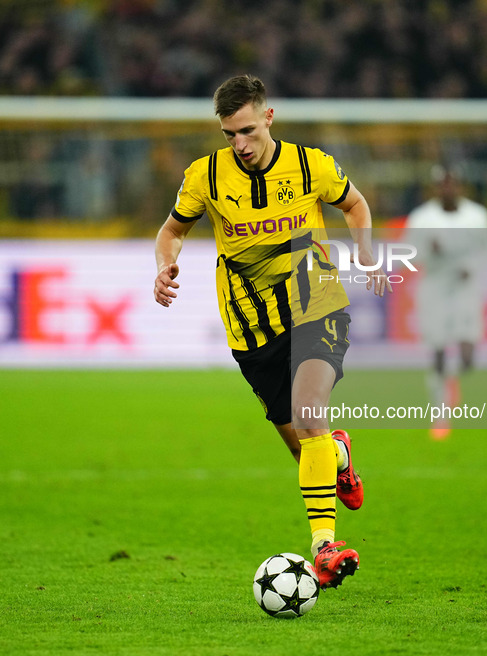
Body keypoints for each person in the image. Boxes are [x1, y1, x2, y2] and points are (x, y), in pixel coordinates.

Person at [154, 74, 390, 589]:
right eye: (228, 136)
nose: (239, 145)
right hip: (249, 325)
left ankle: (324, 547)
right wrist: (164, 265)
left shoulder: (311, 165)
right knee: (307, 446)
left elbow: (354, 204)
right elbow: (172, 230)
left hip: (315, 303)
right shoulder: (206, 177)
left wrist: (365, 248)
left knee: (310, 419)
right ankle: (340, 456)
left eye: (246, 131)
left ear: (268, 117)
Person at [404, 164, 487, 439]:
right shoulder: (422, 218)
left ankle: (451, 380)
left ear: (461, 185)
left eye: (452, 183)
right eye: (442, 183)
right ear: (435, 187)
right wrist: (426, 252)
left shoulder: (477, 216)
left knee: (467, 357)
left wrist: (473, 267)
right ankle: (440, 414)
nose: (447, 188)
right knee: (439, 351)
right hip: (434, 287)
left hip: (465, 288)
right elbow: (409, 254)